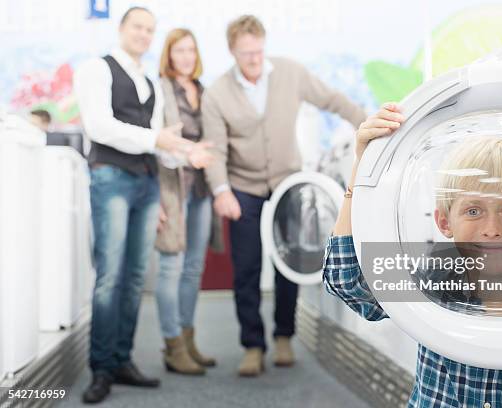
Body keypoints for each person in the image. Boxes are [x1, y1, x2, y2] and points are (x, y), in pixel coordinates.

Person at [323, 103, 502, 407]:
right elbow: (347, 281)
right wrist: (361, 167)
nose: (491, 229)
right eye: (474, 211)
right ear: (445, 223)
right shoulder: (431, 281)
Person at [202, 15, 367, 377]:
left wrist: (367, 124)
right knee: (245, 268)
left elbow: (332, 99)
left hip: (286, 183)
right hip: (242, 188)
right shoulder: (216, 93)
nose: (255, 59)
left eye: (259, 51)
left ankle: (283, 338)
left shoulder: (290, 73)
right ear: (232, 51)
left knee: (288, 263)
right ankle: (252, 345)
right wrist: (221, 190)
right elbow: (214, 149)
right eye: (247, 54)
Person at [73, 7, 212, 404]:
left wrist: (187, 153)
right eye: (138, 27)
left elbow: (159, 143)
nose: (144, 35)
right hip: (111, 178)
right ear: (122, 29)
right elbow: (99, 127)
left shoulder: (147, 80)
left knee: (135, 277)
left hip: (147, 183)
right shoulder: (96, 69)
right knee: (110, 276)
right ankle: (100, 368)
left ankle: (121, 359)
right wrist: (159, 141)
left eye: (150, 30)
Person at [154, 28, 221, 376]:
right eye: (179, 50)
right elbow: (157, 143)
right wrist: (188, 154)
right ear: (168, 54)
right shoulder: (160, 89)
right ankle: (172, 345)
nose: (186, 56)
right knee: (170, 267)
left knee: (193, 268)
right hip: (171, 186)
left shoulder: (204, 90)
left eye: (191, 50)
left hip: (200, 190)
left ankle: (188, 338)